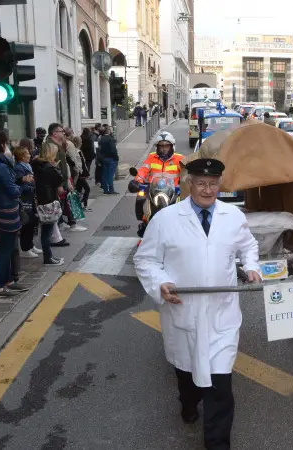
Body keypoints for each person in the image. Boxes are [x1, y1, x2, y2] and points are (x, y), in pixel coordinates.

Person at [133, 157, 261, 450]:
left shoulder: (233, 217)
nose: (207, 189)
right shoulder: (165, 220)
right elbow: (146, 260)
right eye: (201, 183)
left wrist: (251, 265)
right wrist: (159, 284)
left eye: (213, 184)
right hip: (183, 312)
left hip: (222, 314)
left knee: (220, 387)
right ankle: (188, 402)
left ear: (220, 184)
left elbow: (248, 246)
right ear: (189, 183)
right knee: (188, 376)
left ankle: (217, 444)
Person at [0, 130, 29, 298]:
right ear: (1, 145)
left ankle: (8, 281)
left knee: (7, 249)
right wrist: (21, 186)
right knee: (5, 250)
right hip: (6, 211)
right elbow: (12, 191)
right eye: (5, 143)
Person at [32, 142, 67, 264]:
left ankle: (48, 256)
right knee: (48, 230)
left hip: (39, 199)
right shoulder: (50, 168)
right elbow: (59, 184)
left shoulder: (36, 164)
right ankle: (48, 257)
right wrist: (56, 167)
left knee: (45, 230)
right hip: (49, 200)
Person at [13, 146, 41, 259]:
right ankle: (25, 248)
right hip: (25, 199)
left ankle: (30, 245)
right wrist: (32, 186)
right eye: (27, 154)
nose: (29, 155)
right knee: (27, 223)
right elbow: (20, 184)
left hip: (31, 197)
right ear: (21, 156)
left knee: (33, 221)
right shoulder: (19, 168)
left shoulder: (27, 165)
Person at [98, 126, 120, 194]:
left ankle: (105, 189)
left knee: (105, 174)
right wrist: (116, 158)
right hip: (111, 158)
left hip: (104, 158)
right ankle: (111, 189)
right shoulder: (110, 139)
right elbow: (113, 150)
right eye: (111, 130)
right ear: (108, 131)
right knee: (110, 175)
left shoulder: (101, 139)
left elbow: (99, 149)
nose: (112, 131)